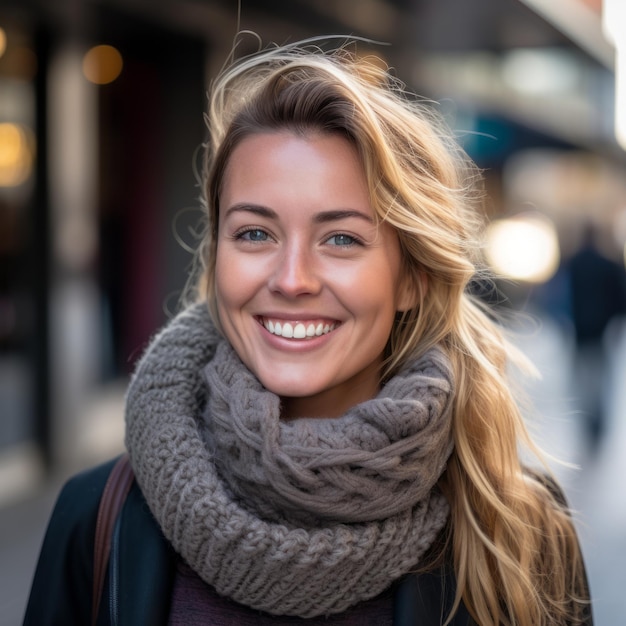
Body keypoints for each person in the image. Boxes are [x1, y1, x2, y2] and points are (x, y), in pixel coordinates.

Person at [24, 37, 592, 626]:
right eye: (254, 234)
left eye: (341, 238)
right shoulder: (96, 520)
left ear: (413, 278)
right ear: (217, 255)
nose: (292, 279)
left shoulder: (524, 533)